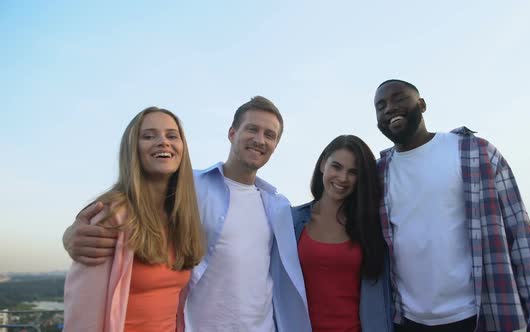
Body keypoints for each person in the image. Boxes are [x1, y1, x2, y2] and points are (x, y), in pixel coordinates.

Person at [62, 96, 312, 332]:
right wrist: (72, 234)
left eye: (270, 135)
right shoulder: (188, 187)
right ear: (232, 133)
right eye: (252, 129)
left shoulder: (279, 207)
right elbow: (136, 194)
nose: (260, 139)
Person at [373, 79, 530, 332]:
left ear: (422, 105)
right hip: (406, 322)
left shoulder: (475, 152)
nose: (389, 108)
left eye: (399, 98)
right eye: (380, 105)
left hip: (477, 315)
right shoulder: (378, 172)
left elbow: (522, 240)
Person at [63, 107, 206, 331]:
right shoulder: (111, 215)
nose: (163, 142)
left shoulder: (181, 217)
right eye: (149, 136)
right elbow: (82, 313)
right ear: (132, 150)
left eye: (172, 135)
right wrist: (69, 236)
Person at [292, 135, 392, 331]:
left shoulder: (371, 228)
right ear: (323, 165)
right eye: (336, 167)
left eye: (353, 172)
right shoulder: (291, 221)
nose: (343, 178)